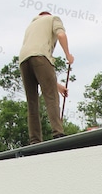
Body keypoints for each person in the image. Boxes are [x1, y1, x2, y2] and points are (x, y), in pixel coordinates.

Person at [18, 11, 73, 144]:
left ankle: (35, 140)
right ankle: (58, 133)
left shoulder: (30, 26)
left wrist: (57, 86)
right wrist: (68, 55)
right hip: (41, 56)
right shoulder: (53, 19)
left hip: (23, 60)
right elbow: (61, 35)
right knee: (51, 96)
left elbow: (37, 71)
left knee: (32, 102)